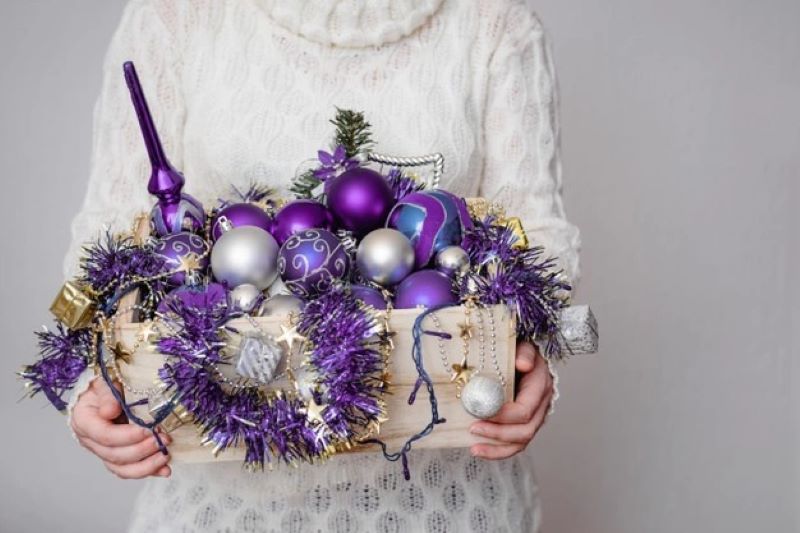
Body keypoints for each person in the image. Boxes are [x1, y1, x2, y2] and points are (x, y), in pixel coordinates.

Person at [66, 0, 581, 531]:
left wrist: (529, 355)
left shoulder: (493, 22)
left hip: (446, 501)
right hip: (225, 509)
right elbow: (107, 239)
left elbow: (538, 240)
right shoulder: (176, 15)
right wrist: (93, 379)